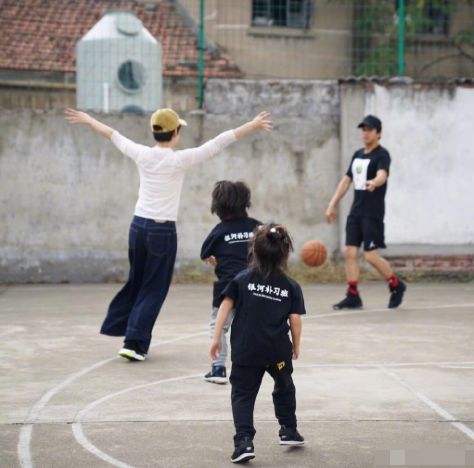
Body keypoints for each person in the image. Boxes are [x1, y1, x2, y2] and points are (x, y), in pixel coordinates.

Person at [65, 108, 272, 361]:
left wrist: (87, 119)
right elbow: (218, 142)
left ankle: (124, 330)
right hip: (161, 232)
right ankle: (135, 343)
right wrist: (252, 124)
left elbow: (112, 134)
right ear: (175, 133)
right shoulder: (179, 159)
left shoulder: (141, 153)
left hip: (137, 228)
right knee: (154, 288)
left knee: (138, 281)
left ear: (154, 132)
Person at [210, 223, 305, 464]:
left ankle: (244, 442)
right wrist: (296, 345)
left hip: (246, 351)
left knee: (242, 394)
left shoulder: (242, 279)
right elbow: (295, 320)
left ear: (254, 250)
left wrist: (216, 337)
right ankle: (289, 430)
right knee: (285, 386)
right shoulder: (291, 286)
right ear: (285, 254)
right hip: (277, 352)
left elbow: (225, 307)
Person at [325, 115, 406, 310]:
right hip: (356, 211)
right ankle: (353, 296)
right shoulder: (358, 155)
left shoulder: (382, 154)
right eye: (363, 129)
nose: (365, 133)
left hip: (373, 213)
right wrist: (332, 204)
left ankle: (396, 285)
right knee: (349, 252)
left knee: (370, 256)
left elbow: (382, 174)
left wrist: (375, 182)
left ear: (379, 133)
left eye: (369, 129)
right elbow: (346, 181)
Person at [201, 180, 260, 384]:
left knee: (218, 326)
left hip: (227, 288)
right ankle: (253, 366)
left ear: (217, 207)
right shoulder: (257, 227)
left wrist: (213, 258)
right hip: (255, 286)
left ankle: (218, 368)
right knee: (251, 326)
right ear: (246, 202)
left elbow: (204, 253)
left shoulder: (219, 231)